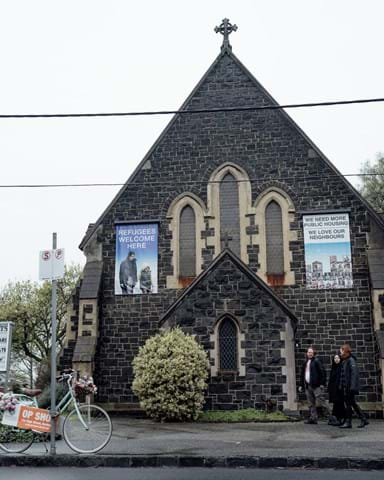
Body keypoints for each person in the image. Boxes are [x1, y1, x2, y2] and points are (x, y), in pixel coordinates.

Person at [339, 343, 369, 429]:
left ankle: (349, 422)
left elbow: (354, 374)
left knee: (348, 404)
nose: (340, 353)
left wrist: (352, 387)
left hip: (349, 387)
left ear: (346, 351)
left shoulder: (351, 360)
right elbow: (343, 375)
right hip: (346, 387)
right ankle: (363, 419)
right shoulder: (345, 361)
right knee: (352, 403)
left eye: (341, 351)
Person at [299, 347, 332, 424]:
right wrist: (301, 385)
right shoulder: (305, 363)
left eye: (311, 352)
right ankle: (313, 418)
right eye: (308, 352)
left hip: (316, 386)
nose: (310, 353)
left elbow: (322, 373)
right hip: (308, 386)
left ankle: (332, 417)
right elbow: (302, 375)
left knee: (321, 401)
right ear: (307, 353)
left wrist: (322, 384)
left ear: (313, 353)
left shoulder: (317, 361)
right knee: (311, 404)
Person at [327, 353, 346, 426]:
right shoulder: (333, 367)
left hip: (339, 389)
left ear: (340, 359)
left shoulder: (341, 367)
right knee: (336, 404)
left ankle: (341, 418)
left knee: (340, 404)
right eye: (335, 358)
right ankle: (336, 418)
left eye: (337, 358)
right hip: (333, 389)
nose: (336, 359)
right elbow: (331, 379)